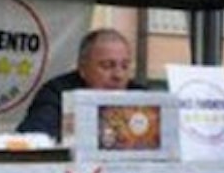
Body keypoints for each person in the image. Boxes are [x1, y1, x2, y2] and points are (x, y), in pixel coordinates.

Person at [16, 27, 145, 139]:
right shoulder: (58, 93)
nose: (118, 75)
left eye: (125, 66)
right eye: (107, 66)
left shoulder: (142, 97)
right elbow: (33, 137)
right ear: (83, 68)